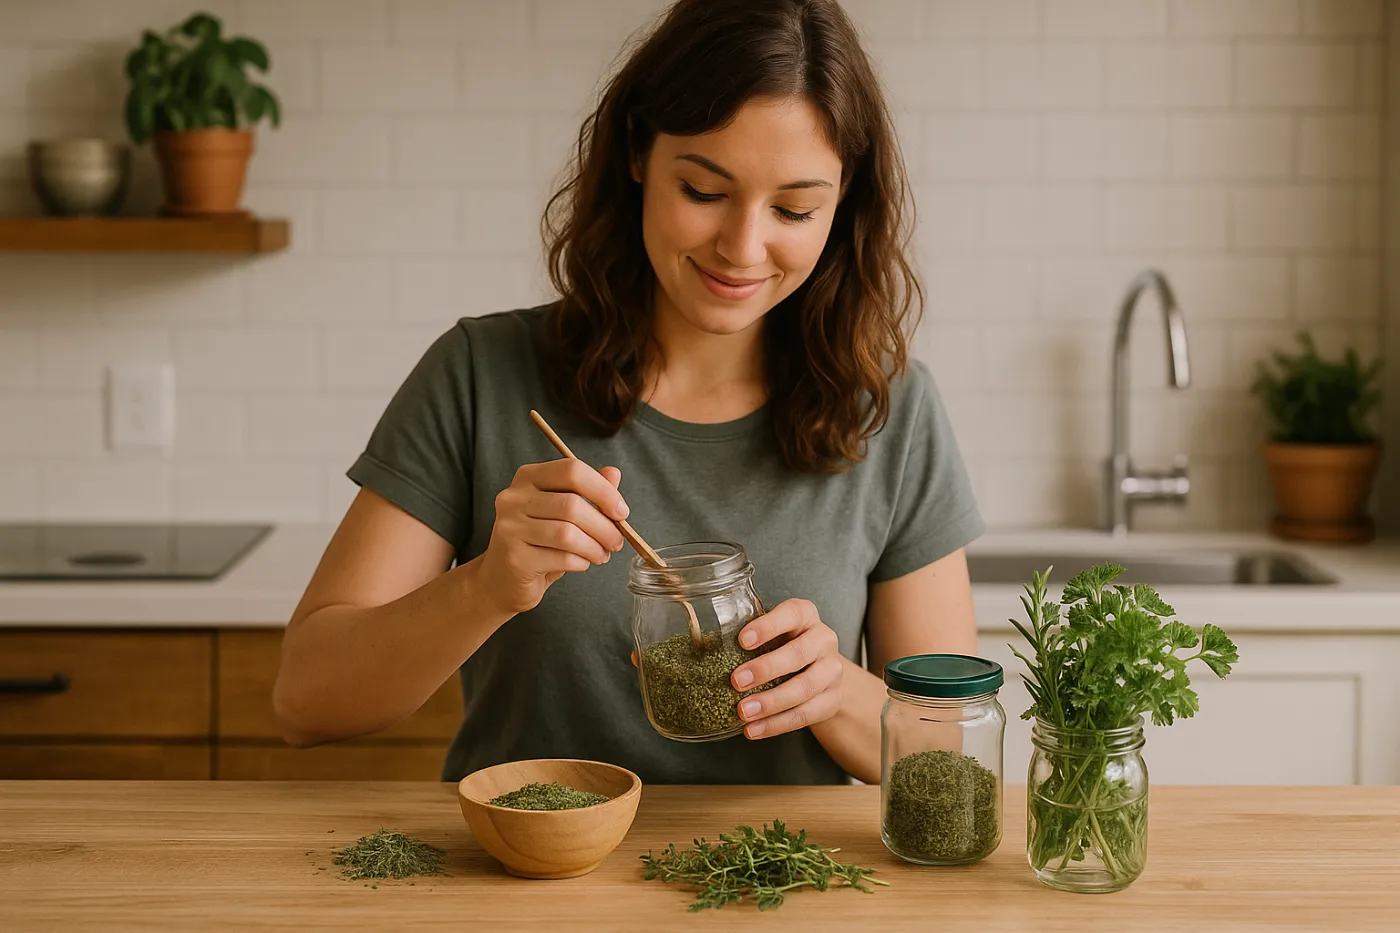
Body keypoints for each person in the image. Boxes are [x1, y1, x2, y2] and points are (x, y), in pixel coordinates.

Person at [272, 0, 982, 786]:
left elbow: (948, 760)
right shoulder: (482, 371)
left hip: (774, 895)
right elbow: (306, 701)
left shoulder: (889, 409)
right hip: (525, 889)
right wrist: (485, 587)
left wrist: (837, 690)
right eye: (705, 191)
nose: (743, 248)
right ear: (638, 152)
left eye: (793, 208)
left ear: (841, 204)